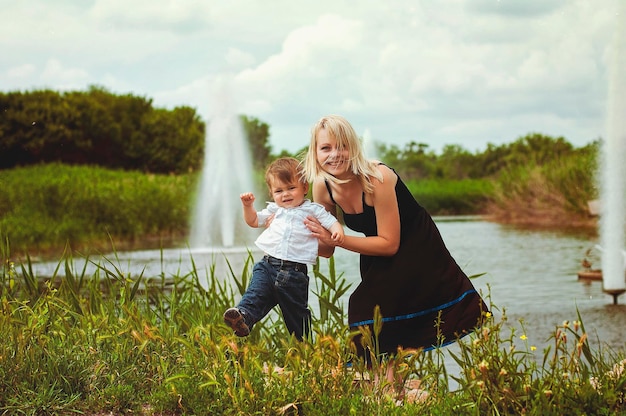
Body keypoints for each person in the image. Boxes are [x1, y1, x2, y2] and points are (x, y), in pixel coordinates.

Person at [302, 115, 488, 362]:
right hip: (373, 248)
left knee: (364, 307)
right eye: (325, 148)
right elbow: (327, 249)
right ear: (315, 153)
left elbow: (390, 244)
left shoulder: (378, 177)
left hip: (415, 245)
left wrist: (339, 238)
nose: (335, 154)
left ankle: (386, 385)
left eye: (342, 146)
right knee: (379, 314)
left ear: (354, 147)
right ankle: (390, 386)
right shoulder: (322, 186)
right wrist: (295, 230)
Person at [223, 157, 345, 341]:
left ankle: (304, 350)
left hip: (294, 273)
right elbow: (253, 221)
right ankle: (243, 317)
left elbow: (331, 221)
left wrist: (337, 232)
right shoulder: (274, 211)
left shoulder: (313, 210)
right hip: (267, 266)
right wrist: (247, 206)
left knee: (297, 316)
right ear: (271, 194)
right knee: (255, 294)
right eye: (279, 190)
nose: (285, 194)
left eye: (291, 188)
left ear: (304, 187)